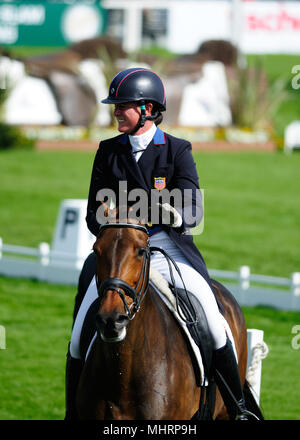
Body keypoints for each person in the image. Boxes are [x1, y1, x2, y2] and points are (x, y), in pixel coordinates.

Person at [65, 67, 250, 420]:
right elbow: (93, 214)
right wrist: (111, 220)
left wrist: (170, 213)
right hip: (120, 254)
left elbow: (193, 207)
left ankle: (238, 408)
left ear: (148, 109)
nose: (116, 111)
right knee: (77, 337)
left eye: (124, 105)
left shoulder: (177, 150)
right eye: (115, 105)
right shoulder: (108, 151)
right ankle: (72, 411)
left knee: (212, 321)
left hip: (165, 248)